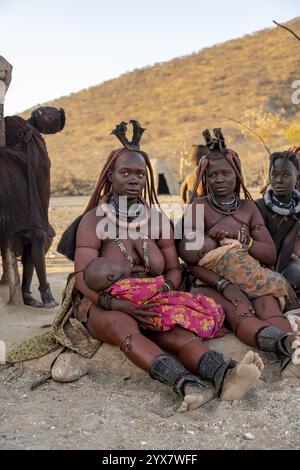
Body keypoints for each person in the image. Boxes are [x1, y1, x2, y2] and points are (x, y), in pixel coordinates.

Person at [72, 120, 264, 412]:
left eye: (139, 173)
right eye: (125, 172)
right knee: (125, 327)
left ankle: (225, 377)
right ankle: (187, 384)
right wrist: (118, 304)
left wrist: (160, 289)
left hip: (155, 298)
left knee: (177, 333)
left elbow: (173, 270)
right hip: (105, 304)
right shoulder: (94, 220)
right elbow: (82, 276)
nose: (134, 179)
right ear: (110, 176)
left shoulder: (157, 219)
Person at [178, 128, 300, 380]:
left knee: (268, 305)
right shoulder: (198, 208)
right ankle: (281, 346)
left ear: (237, 175)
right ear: (205, 178)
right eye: (212, 175)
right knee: (239, 310)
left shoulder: (248, 209)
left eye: (226, 173)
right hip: (209, 281)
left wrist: (239, 237)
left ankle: (293, 354)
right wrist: (223, 283)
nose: (219, 179)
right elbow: (188, 257)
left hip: (252, 275)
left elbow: (267, 254)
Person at [0, 106, 66, 307]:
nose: (45, 112)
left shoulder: (38, 141)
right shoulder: (12, 123)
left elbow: (40, 171)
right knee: (38, 235)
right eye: (48, 110)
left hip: (30, 197)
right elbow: (7, 154)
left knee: (37, 238)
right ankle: (43, 289)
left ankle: (27, 292)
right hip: (11, 193)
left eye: (50, 118)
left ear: (47, 130)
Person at [84, 257, 224, 338]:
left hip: (151, 313)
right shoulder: (125, 286)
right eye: (114, 264)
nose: (118, 263)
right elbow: (147, 290)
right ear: (111, 276)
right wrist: (160, 283)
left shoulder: (113, 289)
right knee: (184, 310)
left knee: (185, 305)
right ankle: (210, 326)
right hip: (155, 312)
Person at [256, 151, 300, 299]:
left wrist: (279, 274)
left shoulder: (297, 210)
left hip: (285, 262)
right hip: (259, 266)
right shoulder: (259, 206)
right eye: (274, 175)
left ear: (297, 177)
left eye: (286, 175)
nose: (279, 180)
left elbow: (288, 245)